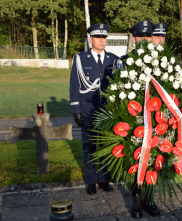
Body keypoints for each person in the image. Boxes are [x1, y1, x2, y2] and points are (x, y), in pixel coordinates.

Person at [70, 23, 119, 195]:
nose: (101, 40)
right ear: (90, 39)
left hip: (107, 112)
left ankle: (104, 180)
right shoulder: (80, 59)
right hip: (88, 110)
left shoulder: (114, 60)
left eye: (104, 37)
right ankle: (91, 181)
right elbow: (75, 86)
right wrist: (76, 110)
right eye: (98, 37)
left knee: (106, 146)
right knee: (89, 147)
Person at [126, 20, 160, 218]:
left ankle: (150, 200)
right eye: (142, 36)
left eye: (149, 36)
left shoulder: (160, 62)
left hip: (155, 120)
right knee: (136, 160)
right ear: (135, 38)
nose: (146, 40)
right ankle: (137, 201)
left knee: (153, 160)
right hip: (134, 121)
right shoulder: (124, 61)